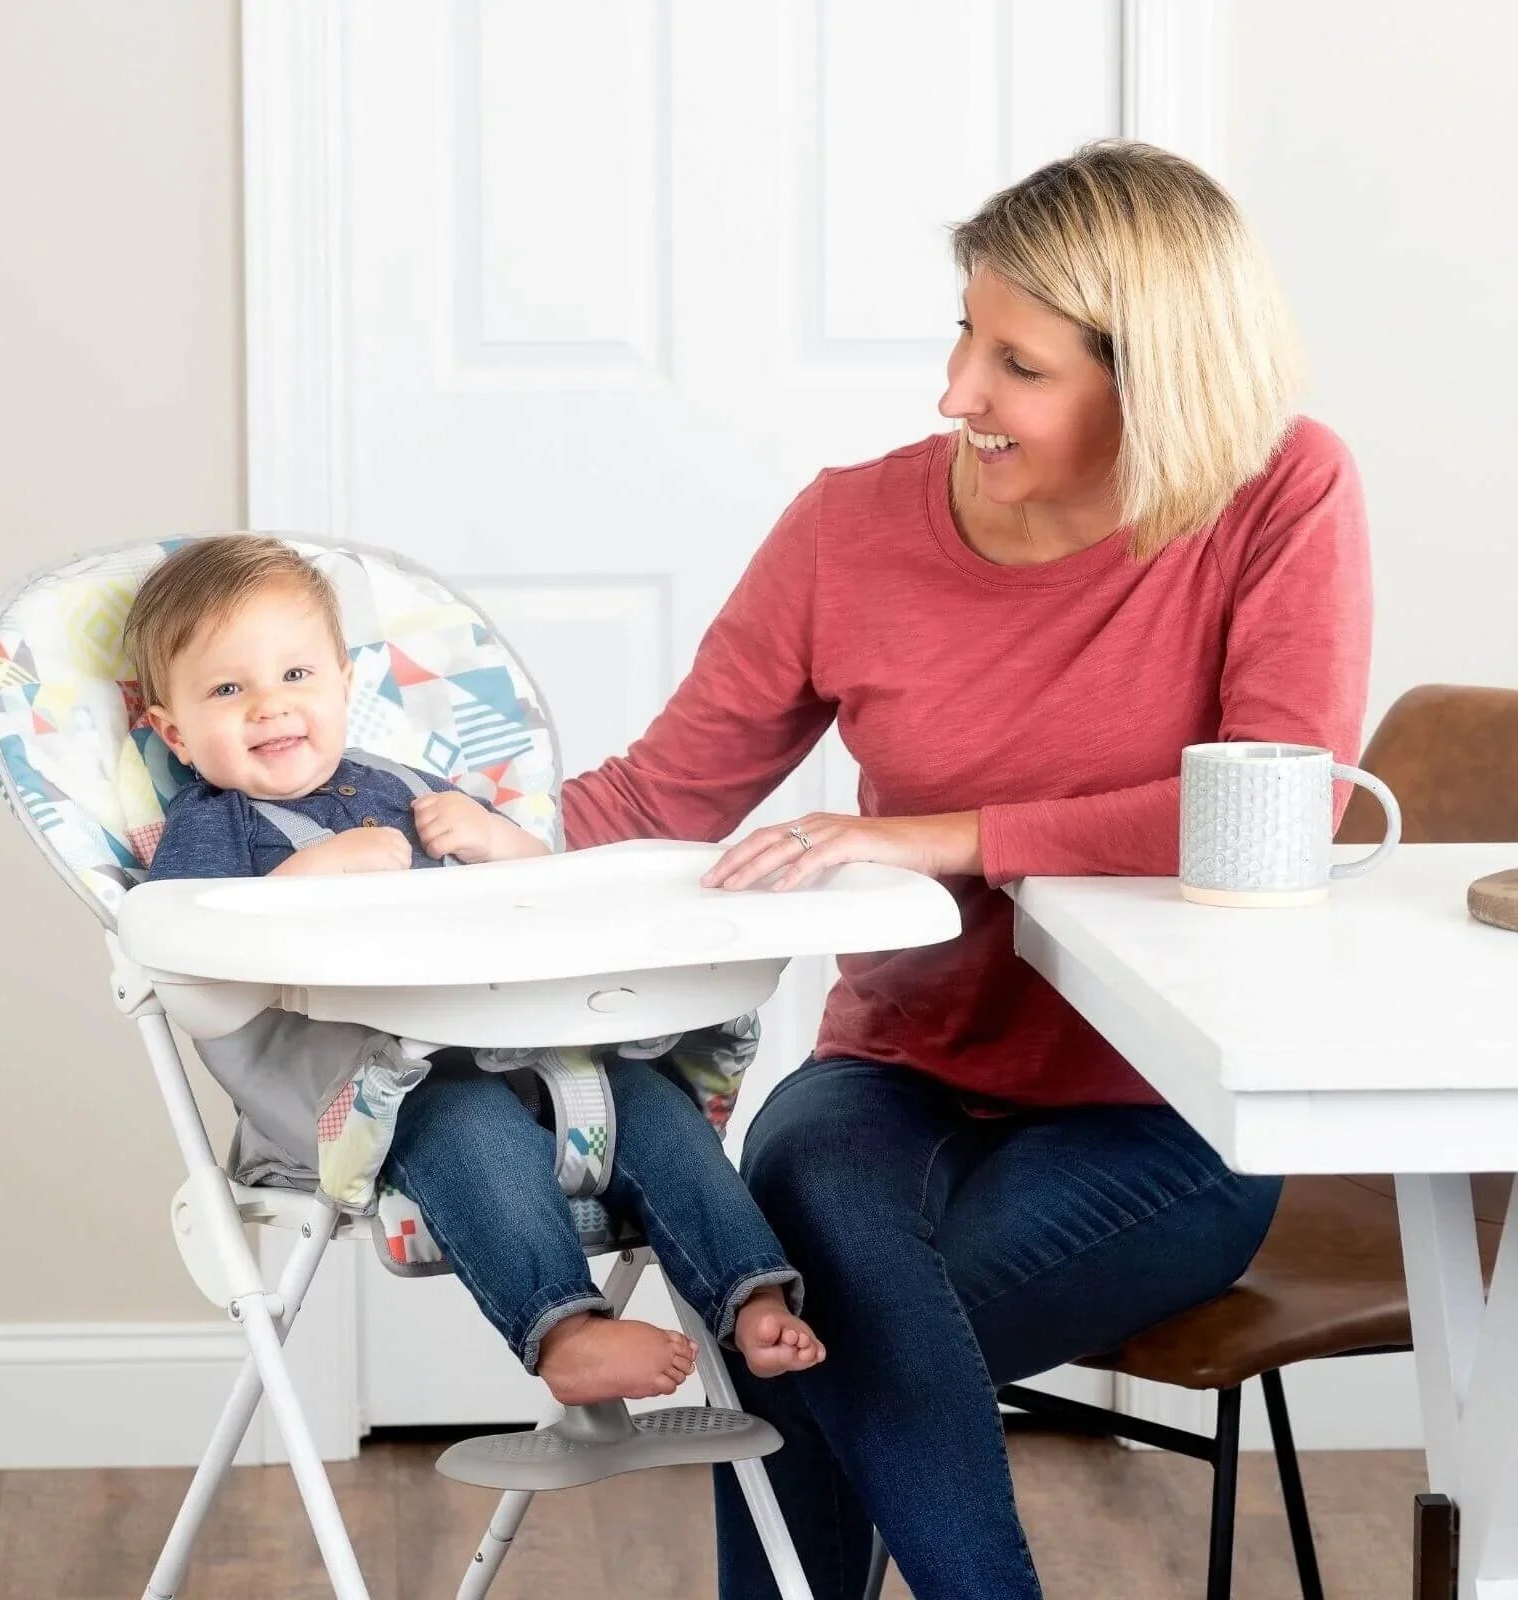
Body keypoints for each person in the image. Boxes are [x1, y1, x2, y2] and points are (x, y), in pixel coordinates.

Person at [559, 140, 1370, 1597]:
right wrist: (397, 831)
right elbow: (660, 794)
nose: (956, 395)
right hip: (894, 1069)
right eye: (963, 336)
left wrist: (945, 839)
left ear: (1158, 377)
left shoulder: (1278, 493)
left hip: (1162, 1113)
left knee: (811, 1342)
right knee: (802, 1289)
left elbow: (1276, 808)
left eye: (1020, 364)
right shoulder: (849, 527)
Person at [127, 533, 825, 1407]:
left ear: (345, 683)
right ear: (173, 732)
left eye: (297, 676)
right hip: (372, 1091)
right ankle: (566, 1331)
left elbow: (545, 899)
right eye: (229, 689)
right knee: (468, 1129)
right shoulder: (213, 823)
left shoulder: (402, 783)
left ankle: (751, 1293)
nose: (270, 706)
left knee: (658, 1107)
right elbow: (185, 934)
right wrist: (313, 874)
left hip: (526, 1047)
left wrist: (501, 844)